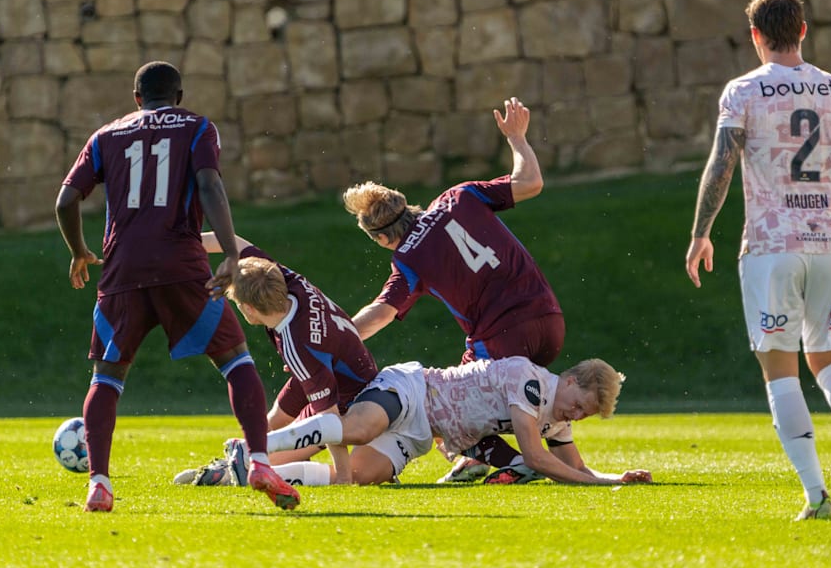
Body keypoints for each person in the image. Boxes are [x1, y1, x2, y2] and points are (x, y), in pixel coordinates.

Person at [684, 0, 831, 521]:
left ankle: (817, 497)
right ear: (803, 30)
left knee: (780, 372)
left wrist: (701, 232)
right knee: (830, 362)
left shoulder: (743, 91)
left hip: (770, 247)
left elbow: (721, 165)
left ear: (755, 35)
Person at [55, 61, 299, 512]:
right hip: (182, 266)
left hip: (122, 271)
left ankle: (99, 483)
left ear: (136, 99)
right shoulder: (198, 127)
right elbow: (209, 184)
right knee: (236, 359)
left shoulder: (105, 136)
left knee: (106, 376)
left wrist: (78, 250)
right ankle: (260, 462)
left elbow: (66, 199)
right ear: (179, 96)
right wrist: (230, 252)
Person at [342, 97, 564, 485]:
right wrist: (517, 138)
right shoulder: (459, 196)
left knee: (436, 406)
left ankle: (517, 462)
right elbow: (531, 182)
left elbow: (381, 312)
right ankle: (476, 461)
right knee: (483, 389)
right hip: (550, 322)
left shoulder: (408, 257)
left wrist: (338, 335)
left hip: (502, 339)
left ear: (380, 238)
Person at [179, 356, 652, 487]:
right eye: (580, 404)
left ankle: (234, 475)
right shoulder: (531, 382)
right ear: (569, 380)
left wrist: (616, 479)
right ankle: (252, 447)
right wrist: (595, 485)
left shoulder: (557, 418)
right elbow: (535, 458)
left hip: (421, 432)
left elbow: (576, 467)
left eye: (586, 415)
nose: (576, 416)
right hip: (412, 390)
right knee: (357, 428)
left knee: (356, 477)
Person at [201, 232, 380, 483]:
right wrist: (182, 245)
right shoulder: (283, 279)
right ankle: (237, 459)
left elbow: (329, 419)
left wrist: (344, 476)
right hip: (334, 368)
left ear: (249, 308)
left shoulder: (300, 346)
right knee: (270, 423)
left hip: (350, 394)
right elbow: (232, 241)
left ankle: (235, 469)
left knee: (267, 460)